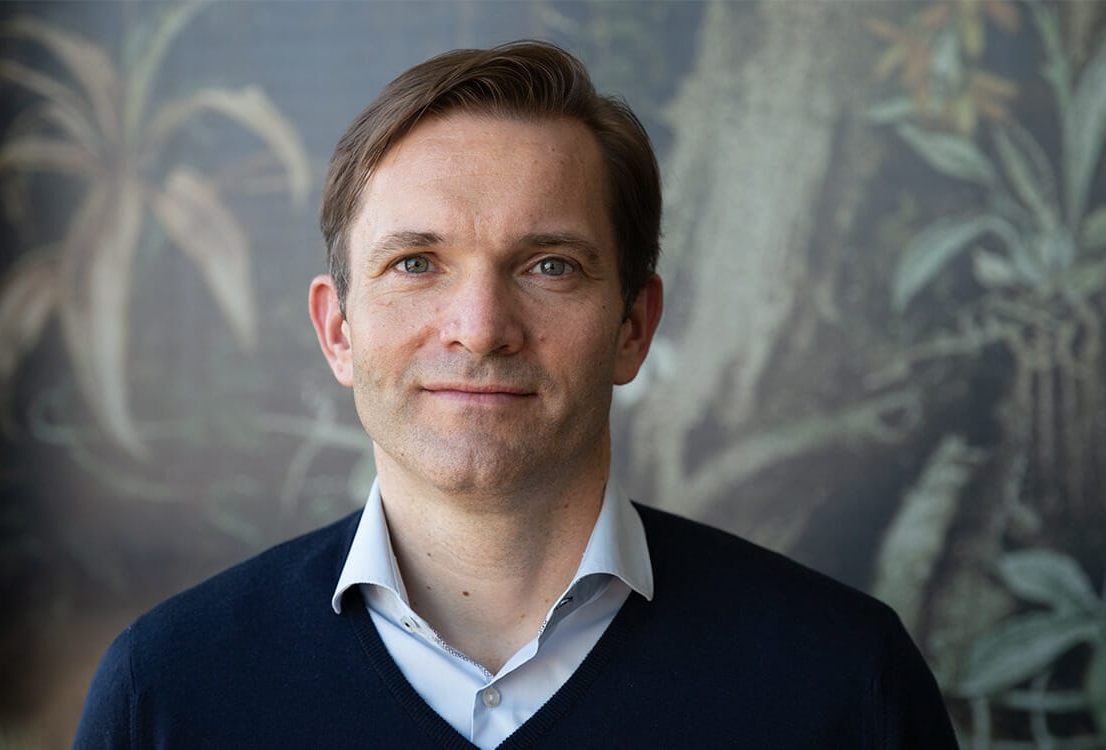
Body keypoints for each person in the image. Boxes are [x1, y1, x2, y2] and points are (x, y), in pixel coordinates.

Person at [74, 40, 958, 748]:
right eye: (415, 263)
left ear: (633, 327)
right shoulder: (167, 690)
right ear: (338, 330)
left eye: (549, 266)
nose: (481, 325)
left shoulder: (846, 682)